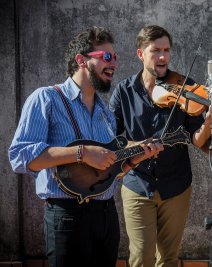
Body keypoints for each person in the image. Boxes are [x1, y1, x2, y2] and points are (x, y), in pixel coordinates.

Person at [8, 26, 162, 267]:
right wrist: (81, 153)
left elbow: (109, 171)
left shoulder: (106, 114)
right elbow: (19, 156)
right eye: (107, 57)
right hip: (66, 217)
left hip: (105, 216)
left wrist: (134, 158)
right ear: (81, 60)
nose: (114, 64)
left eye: (115, 58)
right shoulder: (46, 99)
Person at [109, 25, 212, 267]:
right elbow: (111, 139)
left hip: (176, 185)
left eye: (166, 50)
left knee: (169, 259)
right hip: (137, 184)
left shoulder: (186, 86)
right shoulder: (124, 91)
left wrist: (210, 120)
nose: (162, 57)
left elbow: (197, 139)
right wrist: (137, 147)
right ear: (141, 54)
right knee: (141, 257)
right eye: (155, 51)